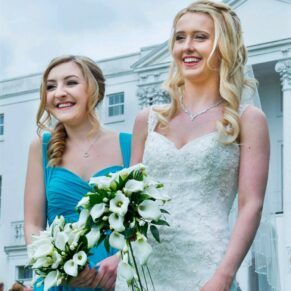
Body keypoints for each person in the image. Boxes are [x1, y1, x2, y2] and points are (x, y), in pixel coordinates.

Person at [116, 1, 270, 291]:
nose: (187, 46)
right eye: (179, 37)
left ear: (224, 45)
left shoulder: (247, 120)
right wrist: (119, 256)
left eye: (200, 37)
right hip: (142, 268)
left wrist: (224, 276)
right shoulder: (146, 120)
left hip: (206, 270)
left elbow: (251, 205)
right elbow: (130, 203)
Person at [24, 55, 131, 291]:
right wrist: (60, 267)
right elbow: (33, 224)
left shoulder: (129, 145)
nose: (59, 92)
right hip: (61, 282)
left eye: (70, 83)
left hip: (115, 279)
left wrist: (123, 258)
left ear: (94, 90)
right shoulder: (41, 147)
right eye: (51, 87)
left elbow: (141, 222)